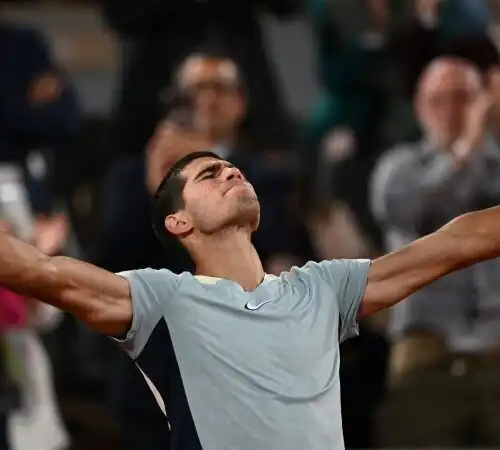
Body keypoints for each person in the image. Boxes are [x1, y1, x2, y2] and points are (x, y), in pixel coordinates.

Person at [0, 149, 500, 449]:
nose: (231, 173)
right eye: (208, 175)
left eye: (232, 168)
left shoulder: (322, 288)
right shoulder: (165, 300)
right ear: (179, 222)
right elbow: (42, 272)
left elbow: (453, 243)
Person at [371, 57, 500, 446]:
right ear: (418, 107)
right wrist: (467, 148)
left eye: (463, 98)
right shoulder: (399, 168)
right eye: (437, 100)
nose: (450, 111)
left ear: (485, 103)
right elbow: (416, 211)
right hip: (428, 358)